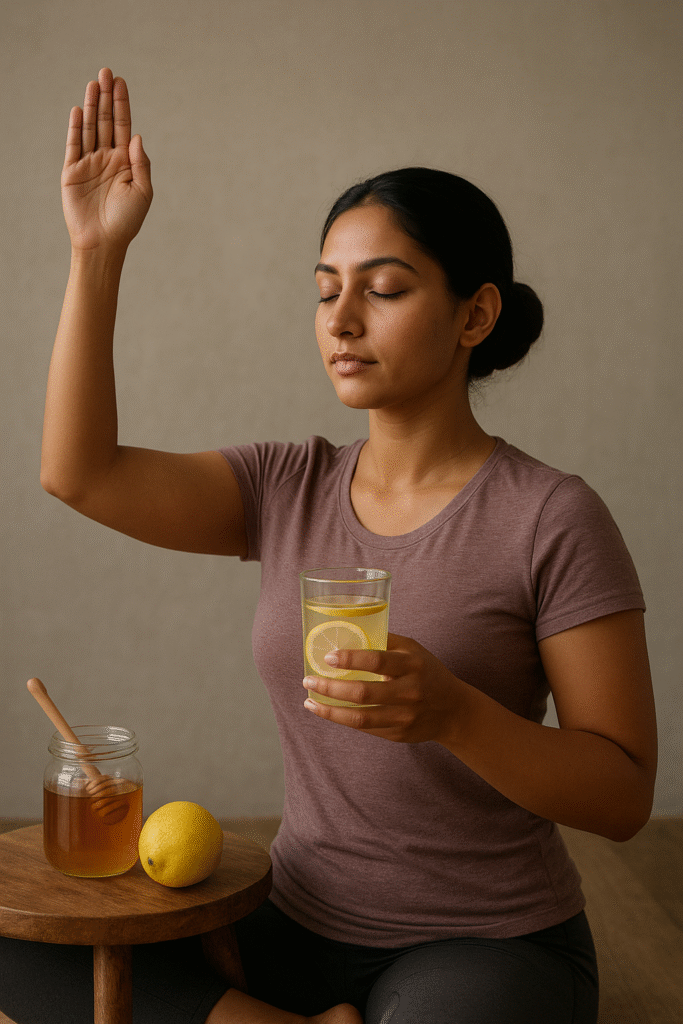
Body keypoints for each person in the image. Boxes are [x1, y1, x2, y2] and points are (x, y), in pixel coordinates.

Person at [0, 68, 657, 1024]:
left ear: (475, 315)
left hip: (480, 942)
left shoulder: (551, 517)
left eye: (383, 290)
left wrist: (456, 715)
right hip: (289, 922)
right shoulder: (286, 484)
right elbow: (80, 472)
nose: (341, 320)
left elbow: (623, 795)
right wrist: (96, 252)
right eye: (325, 292)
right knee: (20, 956)